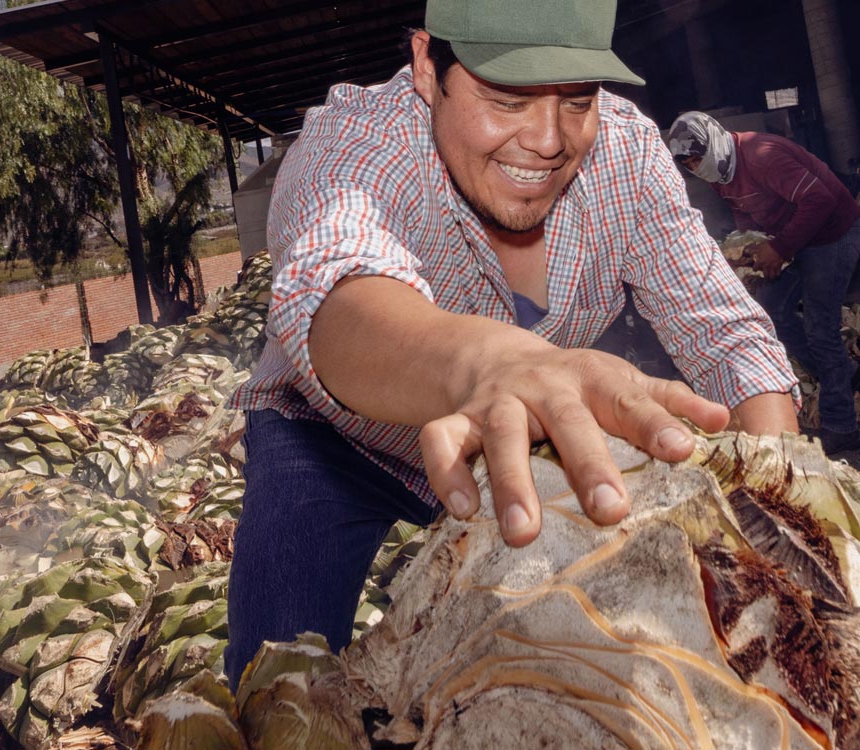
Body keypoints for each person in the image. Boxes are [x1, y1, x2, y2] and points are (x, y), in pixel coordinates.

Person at [223, 0, 799, 689]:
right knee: (281, 683)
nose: (548, 140)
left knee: (558, 686)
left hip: (515, 453)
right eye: (505, 98)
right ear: (424, 65)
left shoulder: (626, 151)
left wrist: (781, 501)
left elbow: (725, 332)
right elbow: (338, 291)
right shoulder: (355, 142)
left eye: (577, 99)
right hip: (333, 443)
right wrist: (497, 363)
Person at [667, 112, 860, 455]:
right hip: (792, 237)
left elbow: (821, 201)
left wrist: (779, 248)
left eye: (699, 157)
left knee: (820, 326)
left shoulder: (761, 155)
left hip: (832, 233)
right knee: (771, 312)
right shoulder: (719, 170)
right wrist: (747, 246)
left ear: (714, 139)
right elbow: (744, 211)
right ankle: (841, 375)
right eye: (690, 164)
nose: (698, 168)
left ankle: (841, 425)